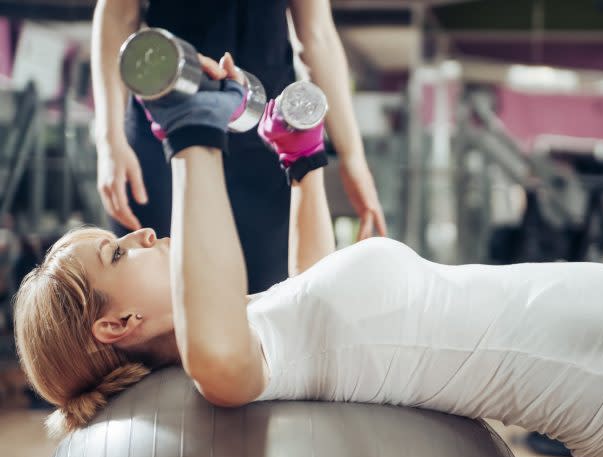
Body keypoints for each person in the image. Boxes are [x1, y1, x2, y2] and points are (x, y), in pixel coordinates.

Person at [15, 55, 603, 457]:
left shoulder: (266, 327)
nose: (139, 232)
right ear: (117, 327)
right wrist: (191, 135)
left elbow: (311, 284)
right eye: (118, 253)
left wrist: (302, 164)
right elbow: (220, 355)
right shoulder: (225, 361)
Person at [91, 0, 386, 292]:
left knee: (271, 299)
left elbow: (316, 34)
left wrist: (353, 158)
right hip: (163, 131)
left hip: (263, 138)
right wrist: (109, 141)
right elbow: (117, 15)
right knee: (150, 295)